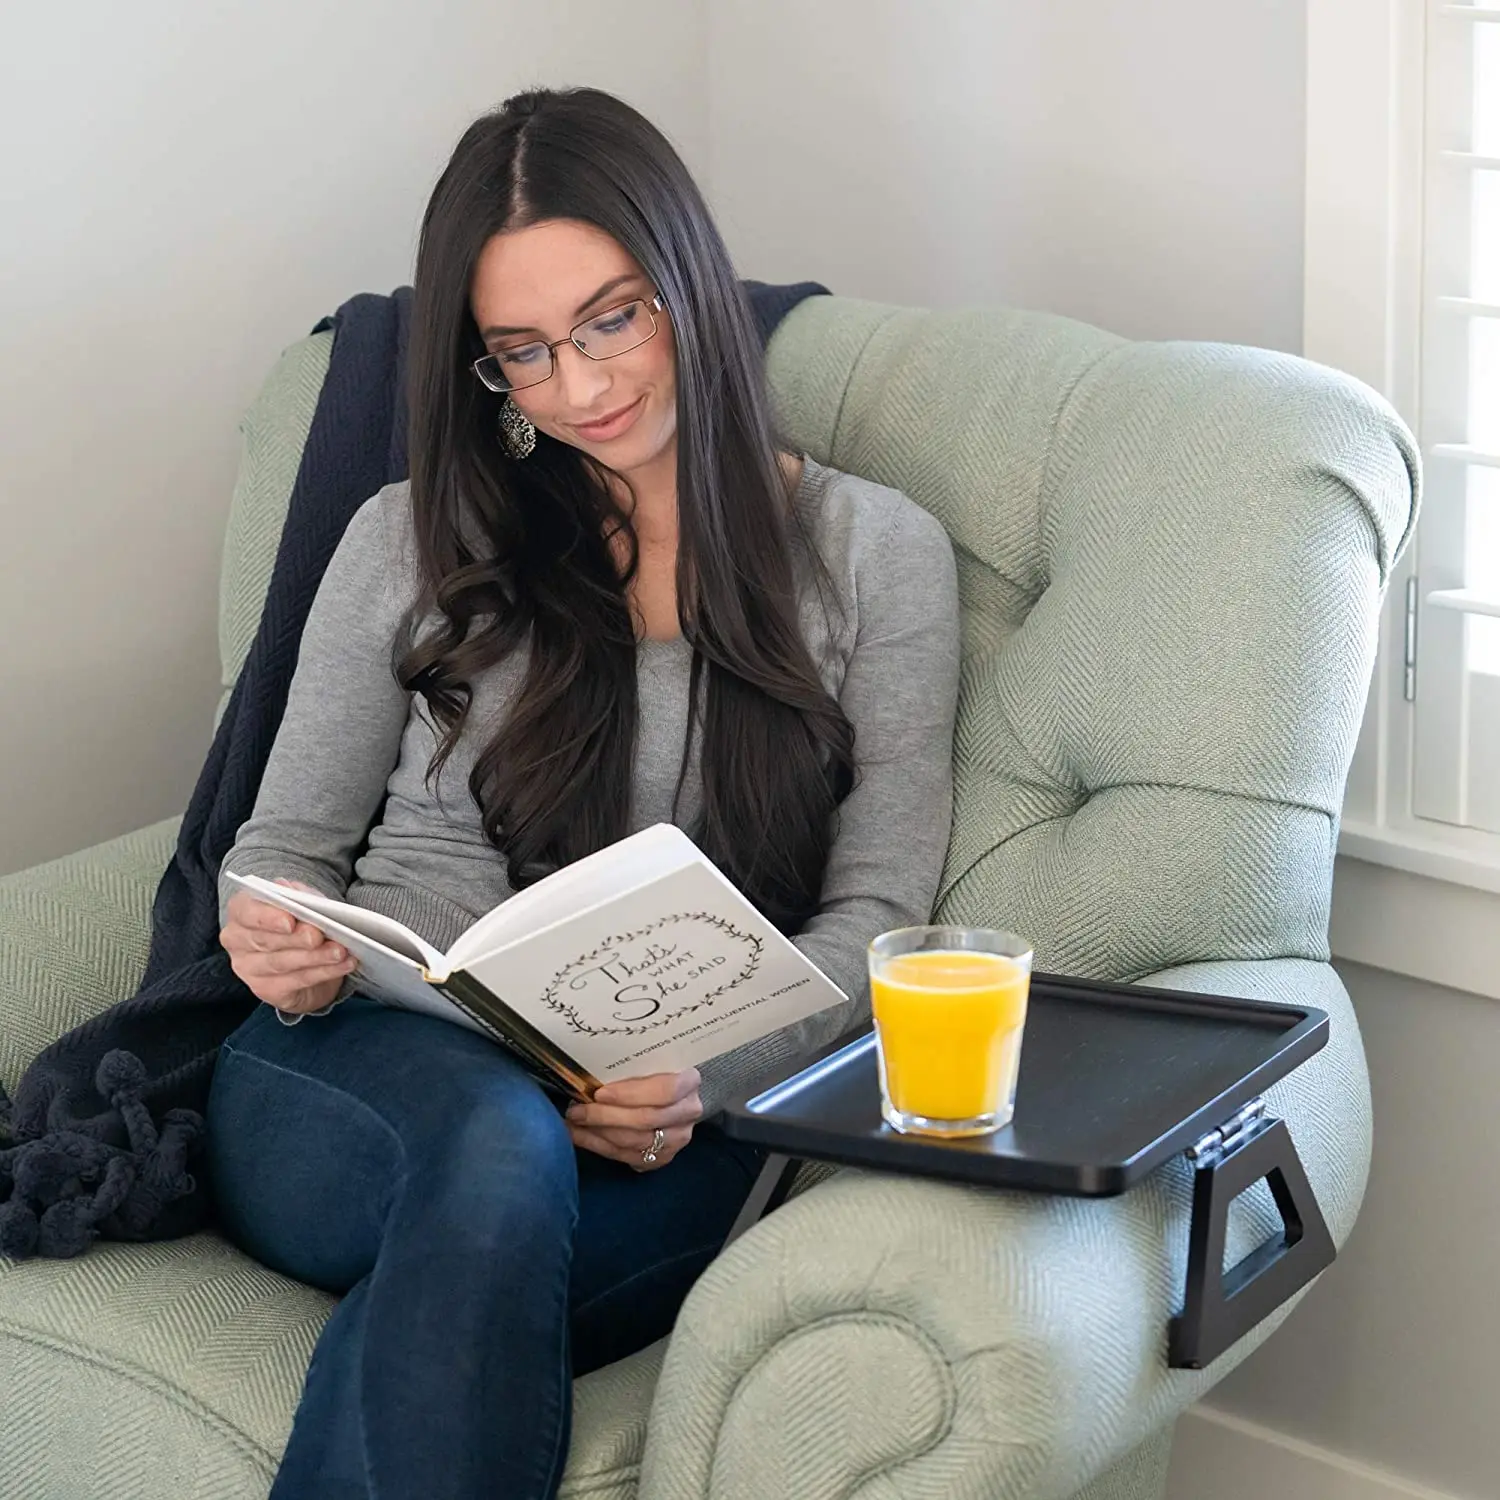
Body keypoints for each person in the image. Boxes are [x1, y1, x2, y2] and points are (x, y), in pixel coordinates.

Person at [209, 86, 960, 1500]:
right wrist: (279, 940)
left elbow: (878, 919)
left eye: (613, 318)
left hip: (663, 1123)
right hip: (360, 1076)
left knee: (466, 1278)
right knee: (491, 1149)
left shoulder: (874, 555)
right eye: (524, 354)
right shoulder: (413, 537)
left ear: (688, 281)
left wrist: (696, 1079)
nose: (581, 387)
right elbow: (283, 851)